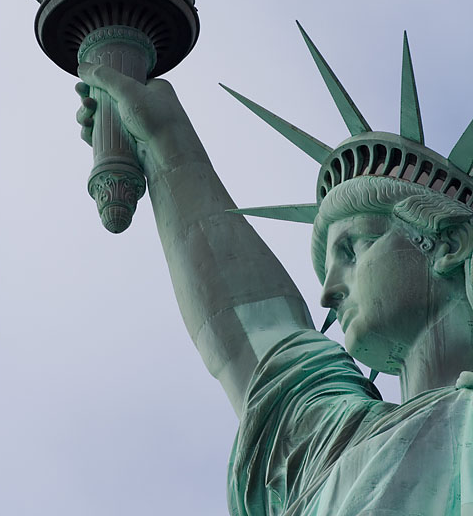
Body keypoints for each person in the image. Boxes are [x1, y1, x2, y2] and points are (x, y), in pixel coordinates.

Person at [75, 31, 473, 516]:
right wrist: (161, 142)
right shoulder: (339, 455)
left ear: (448, 244)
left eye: (352, 248)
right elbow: (258, 340)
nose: (327, 293)